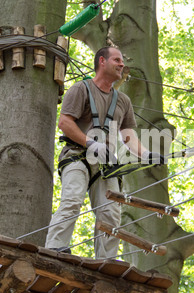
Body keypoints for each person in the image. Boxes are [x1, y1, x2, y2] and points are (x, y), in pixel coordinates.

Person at [45, 46, 164, 259]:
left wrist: (145, 154)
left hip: (106, 164)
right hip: (77, 155)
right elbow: (64, 122)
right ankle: (54, 246)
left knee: (110, 213)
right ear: (102, 61)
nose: (121, 65)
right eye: (117, 60)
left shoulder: (123, 101)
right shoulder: (81, 89)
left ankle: (106, 260)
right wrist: (91, 143)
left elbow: (128, 135)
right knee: (72, 199)